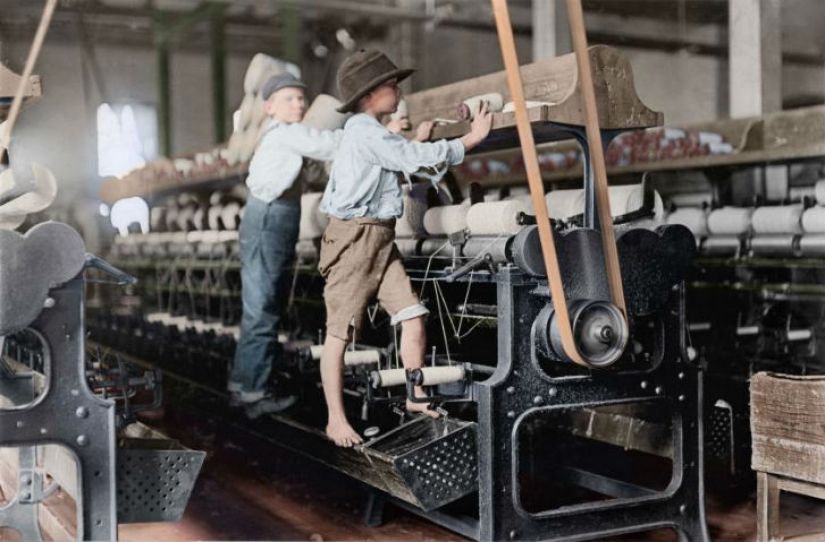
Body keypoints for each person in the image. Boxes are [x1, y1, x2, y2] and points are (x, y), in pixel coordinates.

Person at [318, 49, 492, 447]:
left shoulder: (372, 133)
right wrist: (470, 140)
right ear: (368, 96)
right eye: (390, 85)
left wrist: (419, 141)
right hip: (354, 239)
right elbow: (408, 158)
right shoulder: (364, 131)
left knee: (412, 316)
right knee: (339, 335)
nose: (398, 90)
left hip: (380, 237)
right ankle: (335, 420)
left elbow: (402, 158)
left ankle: (415, 396)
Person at [228, 72, 342, 419]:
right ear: (269, 107)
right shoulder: (288, 133)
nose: (299, 103)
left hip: (270, 218)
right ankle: (257, 394)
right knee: (262, 308)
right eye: (289, 99)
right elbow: (331, 145)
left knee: (259, 308)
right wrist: (375, 133)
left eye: (300, 98)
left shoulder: (281, 135)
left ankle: (243, 385)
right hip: (270, 220)